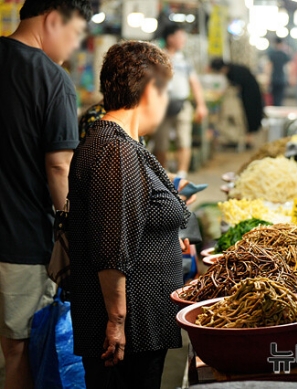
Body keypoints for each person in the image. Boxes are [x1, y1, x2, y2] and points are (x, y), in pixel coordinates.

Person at [67, 41, 190, 388]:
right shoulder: (116, 150)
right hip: (129, 332)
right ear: (151, 90)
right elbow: (111, 247)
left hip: (142, 327)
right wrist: (117, 321)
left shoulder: (118, 144)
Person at [0, 1, 91, 388]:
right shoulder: (51, 78)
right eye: (75, 34)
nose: (74, 46)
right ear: (53, 19)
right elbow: (58, 167)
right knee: (18, 347)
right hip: (19, 238)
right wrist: (74, 226)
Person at [154, 24, 208, 179]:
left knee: (184, 139)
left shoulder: (185, 60)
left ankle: (181, 175)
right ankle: (162, 175)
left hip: (182, 104)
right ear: (170, 38)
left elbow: (194, 83)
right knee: (161, 142)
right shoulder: (157, 58)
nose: (183, 39)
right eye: (180, 36)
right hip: (161, 107)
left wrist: (201, 105)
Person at [210, 58, 265, 144]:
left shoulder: (234, 71)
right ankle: (246, 138)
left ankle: (249, 138)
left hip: (250, 95)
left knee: (250, 114)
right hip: (246, 94)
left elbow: (236, 86)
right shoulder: (231, 70)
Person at [267, 37, 290, 106]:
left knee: (274, 96)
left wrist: (268, 77)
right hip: (280, 78)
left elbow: (269, 67)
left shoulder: (272, 54)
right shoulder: (284, 54)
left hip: (274, 78)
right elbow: (288, 67)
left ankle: (276, 107)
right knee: (279, 97)